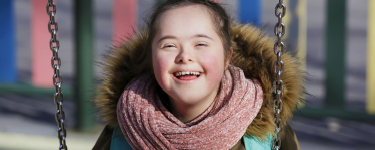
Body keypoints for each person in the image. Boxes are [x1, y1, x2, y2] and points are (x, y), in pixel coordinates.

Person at [92, 0, 304, 149]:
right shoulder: (125, 131)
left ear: (227, 57)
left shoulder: (266, 137)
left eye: (200, 44)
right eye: (169, 45)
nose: (185, 56)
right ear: (151, 58)